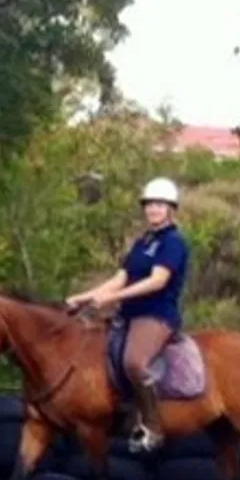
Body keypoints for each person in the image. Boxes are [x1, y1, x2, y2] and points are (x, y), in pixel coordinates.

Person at [66, 176, 192, 449]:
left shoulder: (173, 242)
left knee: (134, 362)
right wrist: (85, 296)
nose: (153, 210)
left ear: (170, 209)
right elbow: (121, 277)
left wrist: (112, 298)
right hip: (129, 314)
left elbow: (157, 281)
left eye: (159, 205)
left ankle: (153, 427)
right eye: (149, 205)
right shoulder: (143, 242)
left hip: (156, 315)